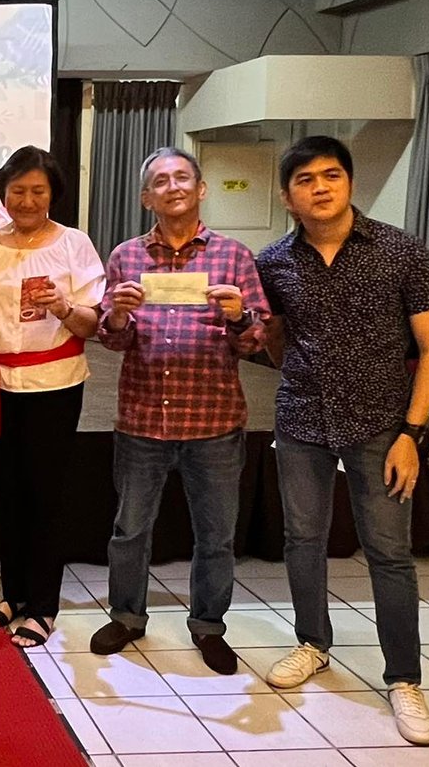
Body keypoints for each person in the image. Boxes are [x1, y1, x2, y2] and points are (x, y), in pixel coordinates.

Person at [256, 135, 429, 745]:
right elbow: (275, 338)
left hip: (383, 426)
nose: (320, 187)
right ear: (287, 197)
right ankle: (313, 644)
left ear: (349, 182)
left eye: (331, 175)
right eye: (305, 179)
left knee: (388, 552)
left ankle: (404, 678)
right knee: (303, 539)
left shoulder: (400, 250)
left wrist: (412, 432)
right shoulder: (273, 262)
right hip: (301, 420)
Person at [87, 148, 269, 674]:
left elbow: (255, 341)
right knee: (130, 530)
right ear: (147, 197)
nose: (173, 187)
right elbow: (112, 340)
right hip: (143, 418)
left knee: (216, 535)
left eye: (182, 177)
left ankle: (209, 625)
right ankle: (127, 616)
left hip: (214, 421)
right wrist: (116, 317)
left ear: (201, 189)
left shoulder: (234, 256)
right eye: (161, 181)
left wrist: (240, 317)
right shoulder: (126, 256)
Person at [0, 146, 105, 649]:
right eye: (17, 190)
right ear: (3, 194)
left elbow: (92, 323)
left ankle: (42, 607)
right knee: (8, 492)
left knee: (46, 496)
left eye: (37, 190)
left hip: (55, 384)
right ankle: (13, 594)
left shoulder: (73, 244)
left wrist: (63, 306)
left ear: (52, 194)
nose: (26, 200)